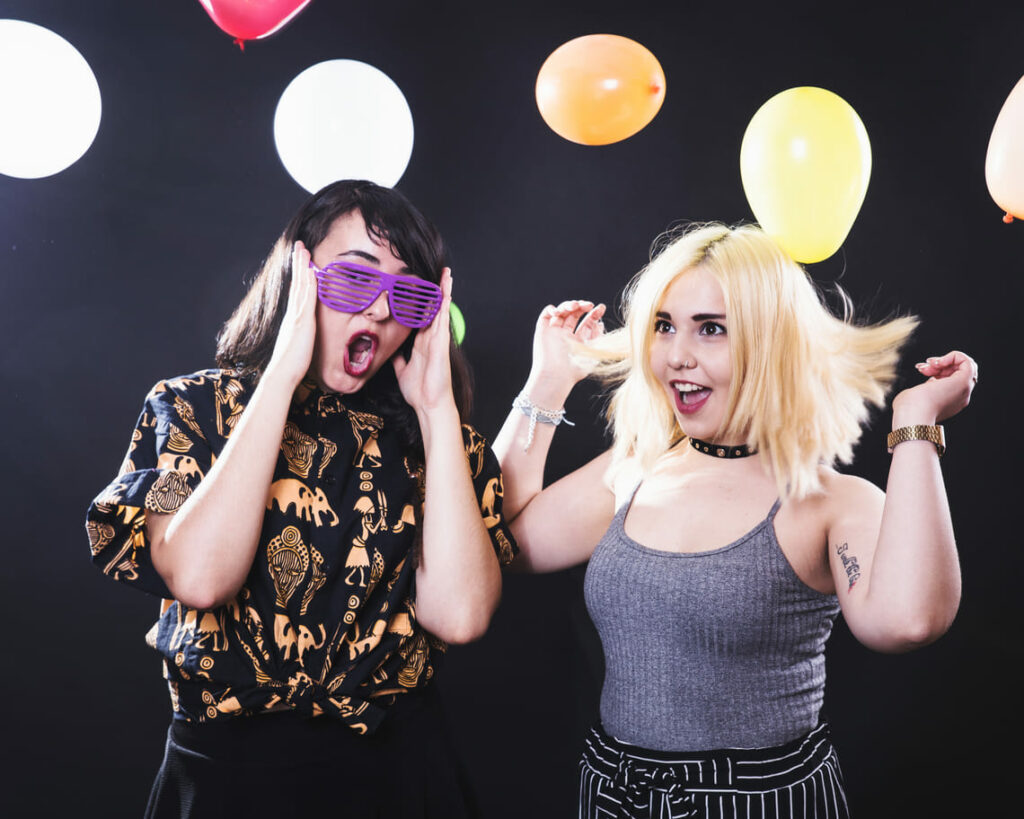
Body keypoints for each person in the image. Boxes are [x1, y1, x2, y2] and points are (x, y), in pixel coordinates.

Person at [492, 222, 976, 818]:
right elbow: (500, 541)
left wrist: (916, 425)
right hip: (615, 794)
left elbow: (909, 621)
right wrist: (547, 381)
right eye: (665, 326)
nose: (676, 356)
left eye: (712, 329)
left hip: (761, 802)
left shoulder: (830, 500)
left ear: (772, 343)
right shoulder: (633, 467)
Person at [85, 179, 516, 818]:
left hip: (400, 777)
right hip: (231, 781)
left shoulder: (445, 447)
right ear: (299, 275)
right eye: (352, 281)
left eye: (408, 294)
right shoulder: (195, 409)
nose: (377, 311)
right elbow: (202, 579)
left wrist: (437, 409)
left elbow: (460, 617)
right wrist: (284, 371)